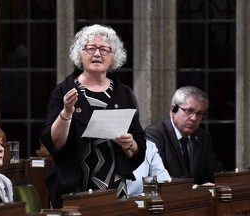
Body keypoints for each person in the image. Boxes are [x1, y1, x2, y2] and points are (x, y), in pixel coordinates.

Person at [40, 24, 146, 208]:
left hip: (115, 186)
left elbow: (138, 143)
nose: (97, 54)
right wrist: (66, 112)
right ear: (79, 54)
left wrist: (130, 144)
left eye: (105, 49)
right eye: (91, 48)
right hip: (74, 187)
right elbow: (54, 143)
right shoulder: (64, 91)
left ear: (113, 56)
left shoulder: (124, 93)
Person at [144, 86, 224, 185]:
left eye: (199, 113)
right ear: (173, 110)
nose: (194, 118)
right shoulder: (154, 134)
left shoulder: (203, 136)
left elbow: (215, 173)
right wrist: (195, 189)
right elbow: (159, 178)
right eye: (189, 111)